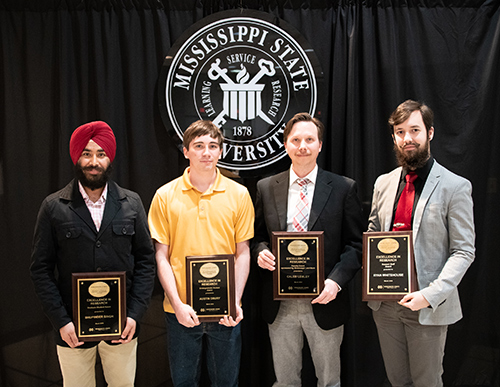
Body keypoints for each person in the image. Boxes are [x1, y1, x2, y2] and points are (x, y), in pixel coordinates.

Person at [30, 121, 156, 387]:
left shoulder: (131, 203)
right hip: (72, 330)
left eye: (100, 154)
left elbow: (146, 261)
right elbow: (40, 269)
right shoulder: (53, 207)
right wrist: (61, 321)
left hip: (122, 327)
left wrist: (134, 314)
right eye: (86, 153)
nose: (93, 161)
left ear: (110, 158)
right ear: (77, 157)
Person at [367, 100, 475, 387]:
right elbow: (374, 232)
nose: (408, 138)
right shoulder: (383, 183)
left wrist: (431, 294)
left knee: (427, 381)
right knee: (397, 380)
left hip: (428, 305)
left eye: (415, 130)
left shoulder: (455, 186)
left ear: (430, 133)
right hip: (386, 305)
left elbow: (464, 250)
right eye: (400, 132)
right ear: (394, 138)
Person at [252, 112, 365, 387]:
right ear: (286, 144)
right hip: (280, 303)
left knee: (329, 382)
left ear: (320, 145)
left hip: (324, 299)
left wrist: (335, 282)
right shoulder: (266, 187)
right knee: (285, 382)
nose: (303, 146)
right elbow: (256, 236)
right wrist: (260, 252)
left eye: (309, 139)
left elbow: (356, 244)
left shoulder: (342, 188)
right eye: (296, 139)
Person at [148, 120, 254, 386]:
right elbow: (161, 256)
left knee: (227, 383)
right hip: (180, 312)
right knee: (183, 383)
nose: (206, 152)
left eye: (212, 146)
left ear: (220, 151)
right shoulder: (164, 196)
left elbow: (243, 252)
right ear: (185, 151)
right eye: (198, 146)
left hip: (225, 314)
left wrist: (235, 301)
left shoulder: (239, 195)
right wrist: (177, 304)